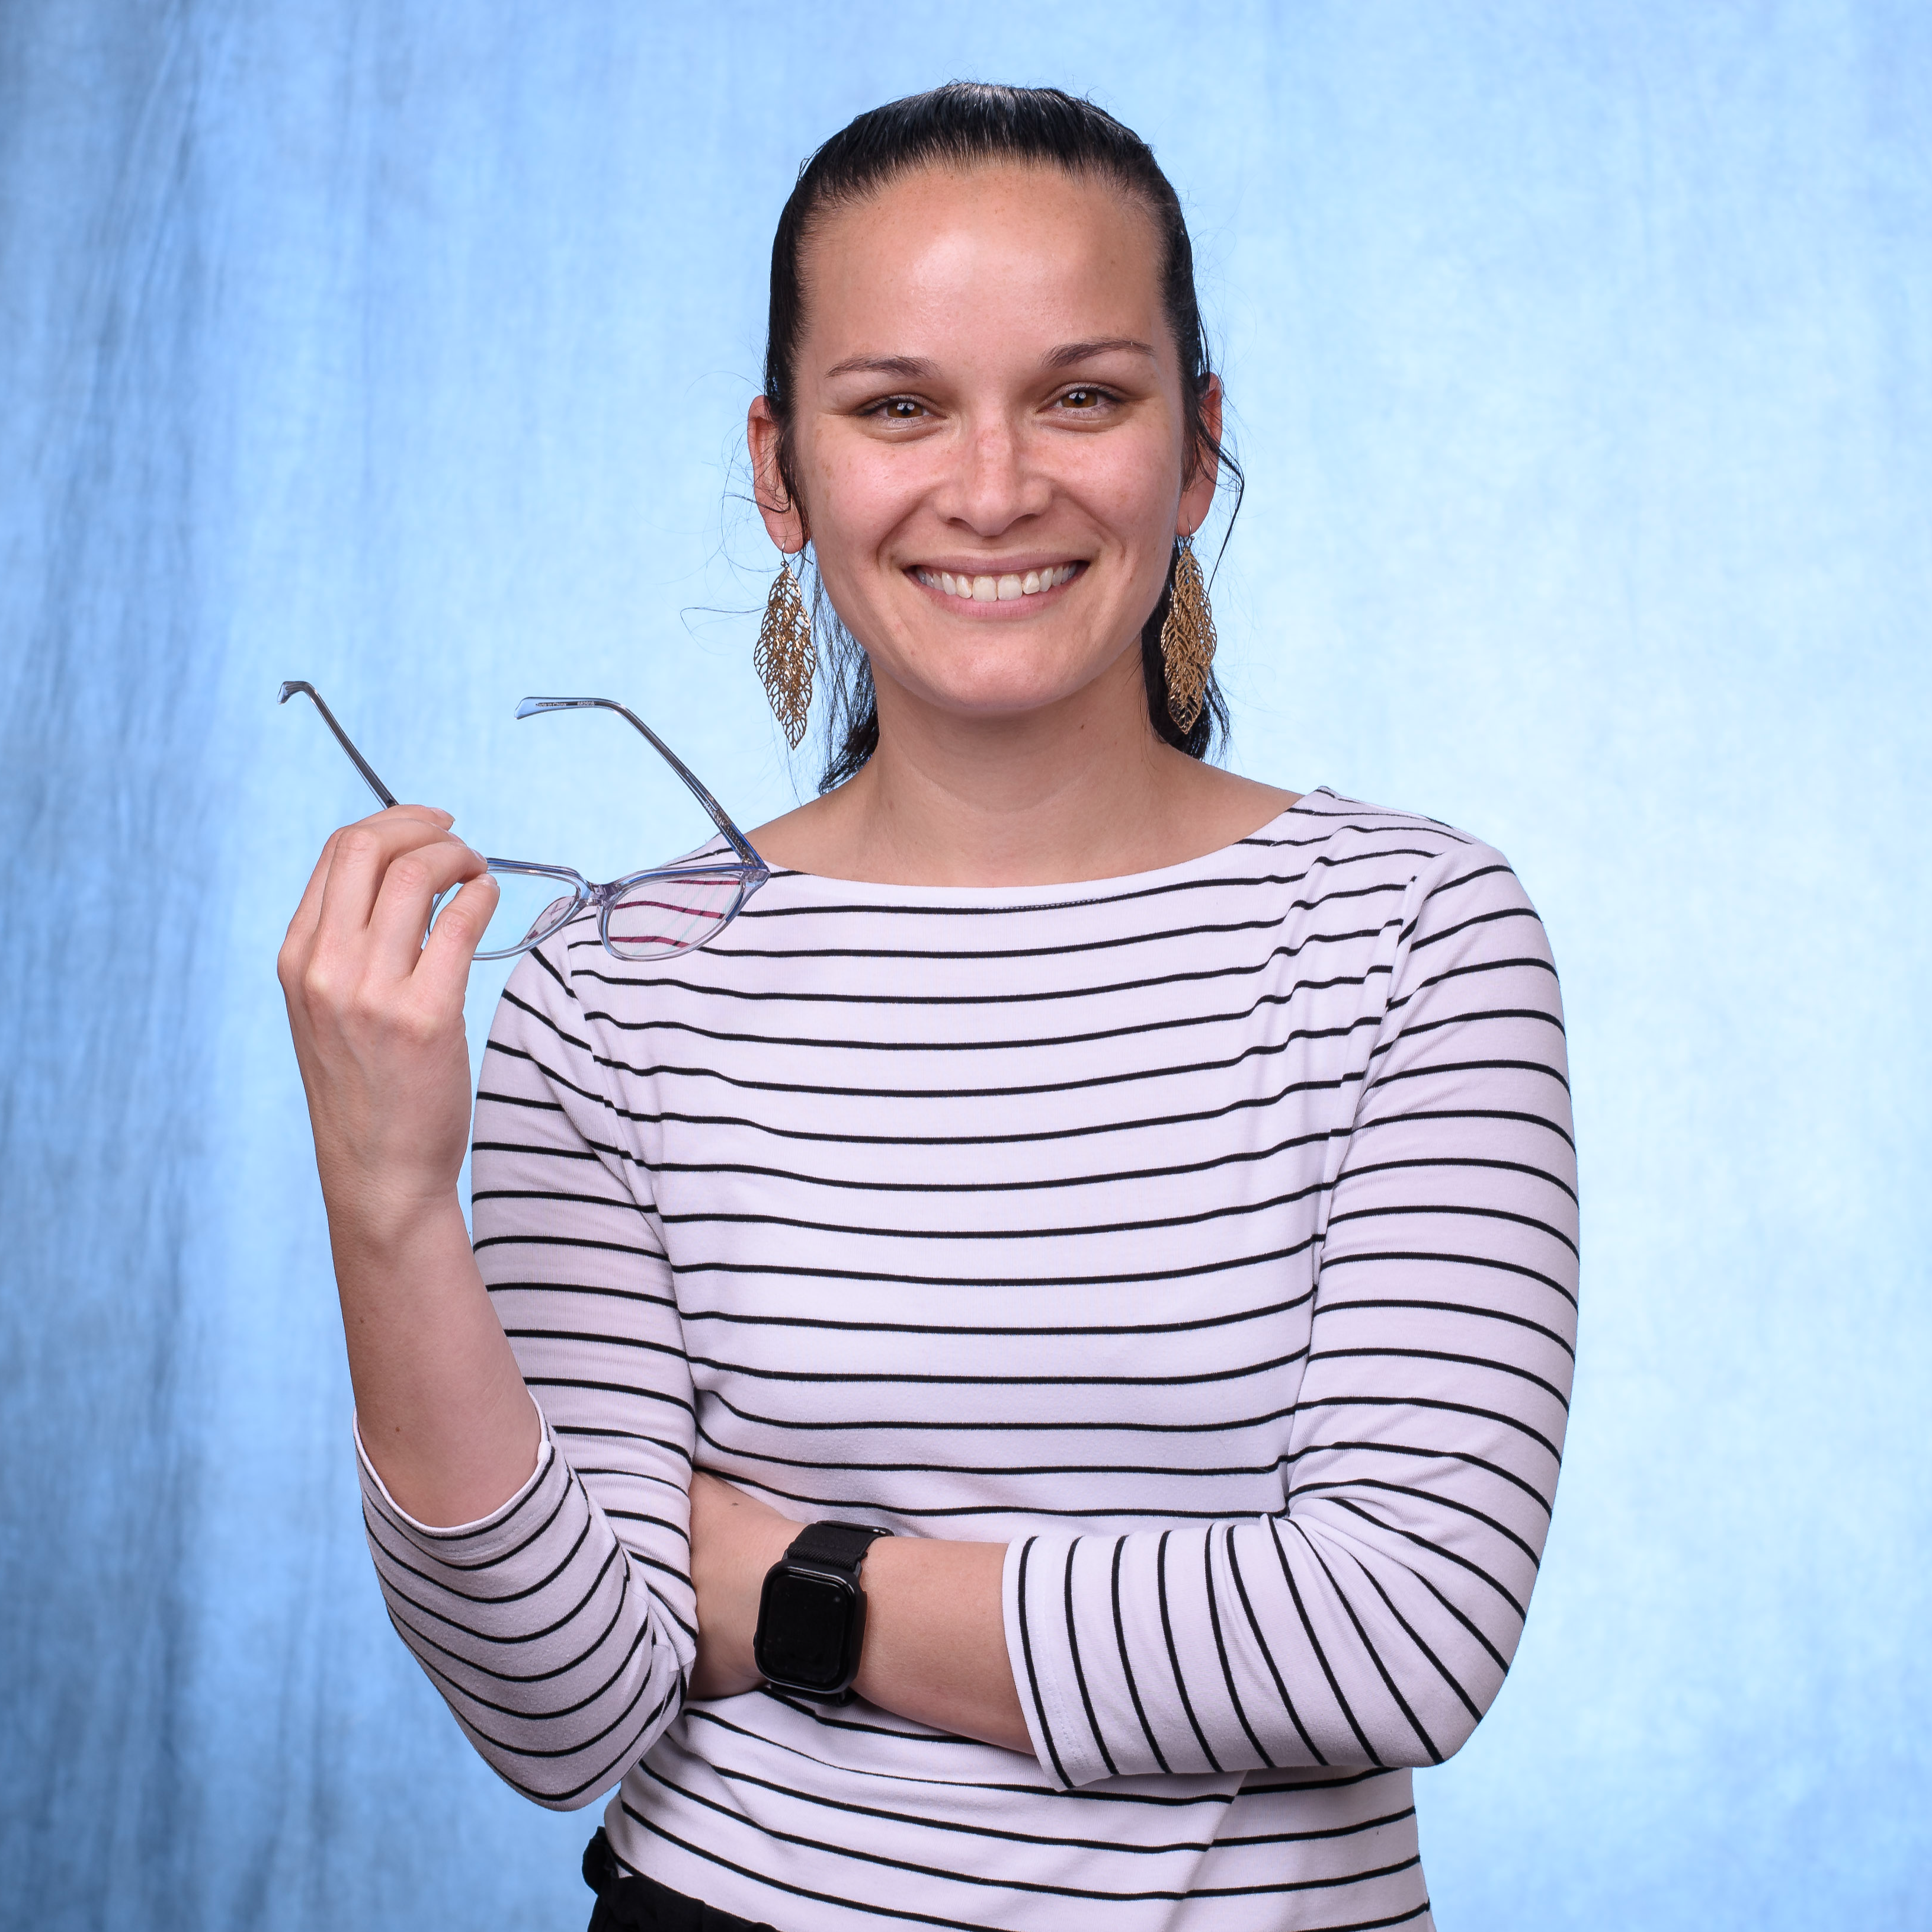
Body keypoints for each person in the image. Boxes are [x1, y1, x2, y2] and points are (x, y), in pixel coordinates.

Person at [280, 83, 1578, 1932]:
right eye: (897, 405)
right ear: (779, 469)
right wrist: (388, 1203)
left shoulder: (1409, 936)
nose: (991, 486)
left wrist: (793, 1588)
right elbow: (559, 1699)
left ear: (1196, 446)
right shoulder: (620, 986)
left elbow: (1394, 1638)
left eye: (1082, 394)